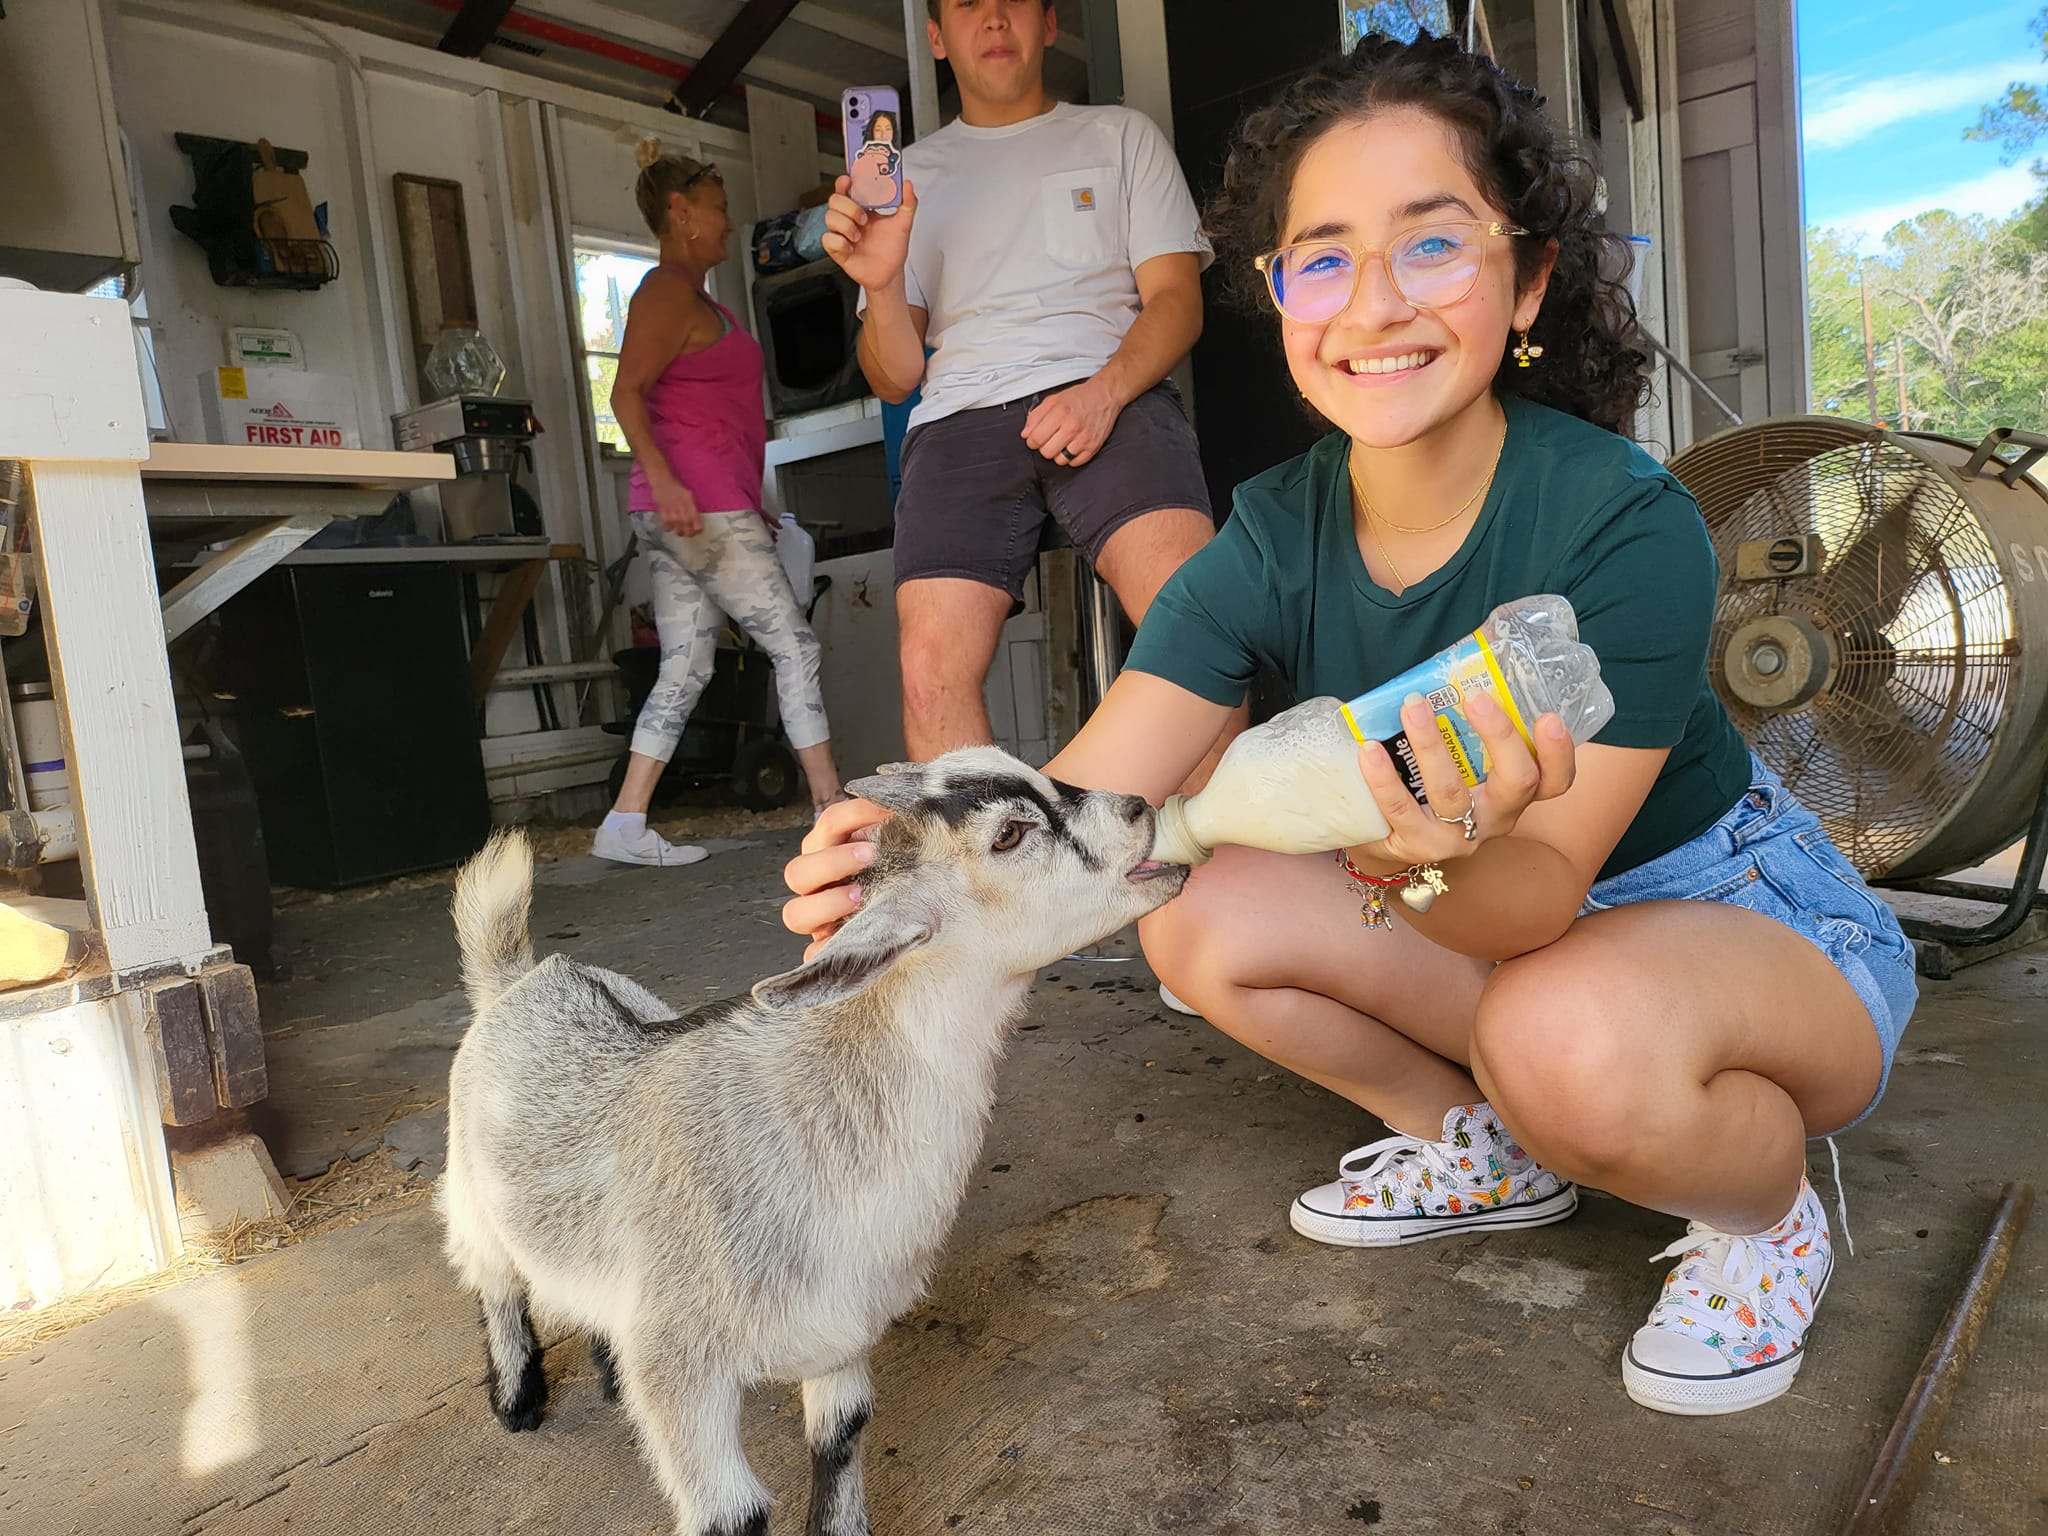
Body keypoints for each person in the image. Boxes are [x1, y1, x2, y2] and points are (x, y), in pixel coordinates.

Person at [783, 35, 1918, 1418]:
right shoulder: (1274, 532)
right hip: (1493, 920)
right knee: (1192, 913)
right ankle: (1488, 1148)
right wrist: (895, 885)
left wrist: (1416, 858)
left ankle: (1765, 1212)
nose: (1372, 303)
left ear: (1530, 277)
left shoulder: (1625, 522)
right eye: (1321, 258)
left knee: (1568, 1035)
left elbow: (1535, 895)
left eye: (1432, 245)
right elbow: (1087, 810)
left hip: (1737, 924)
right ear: (1276, 297)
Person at [821, 0, 1229, 763]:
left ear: (1048, 23)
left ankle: (1213, 872)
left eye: (1014, 1)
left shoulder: (1121, 135)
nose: (994, 19)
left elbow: (1177, 302)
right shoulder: (910, 179)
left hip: (1112, 389)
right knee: (926, 674)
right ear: (937, 38)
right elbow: (895, 374)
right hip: (957, 416)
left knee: (1200, 624)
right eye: (968, 5)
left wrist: (1103, 393)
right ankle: (991, 882)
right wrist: (880, 285)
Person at [593, 141, 846, 867]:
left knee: (686, 666)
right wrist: (672, 484)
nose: (729, 222)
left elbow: (723, 418)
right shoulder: (664, 292)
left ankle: (625, 823)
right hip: (694, 507)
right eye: (719, 207)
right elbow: (623, 393)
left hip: (702, 508)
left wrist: (747, 499)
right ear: (681, 212)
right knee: (793, 646)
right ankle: (831, 808)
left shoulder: (698, 300)